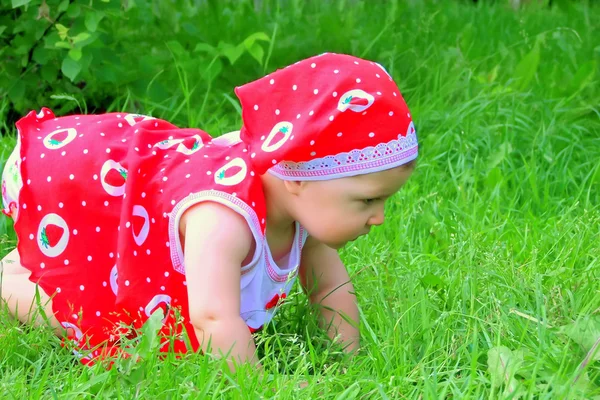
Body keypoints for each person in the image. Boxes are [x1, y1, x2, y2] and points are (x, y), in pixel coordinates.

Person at [0, 52, 418, 370]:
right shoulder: (224, 221)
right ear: (298, 178)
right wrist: (261, 386)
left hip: (143, 200)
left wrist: (349, 361)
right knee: (93, 316)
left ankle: (23, 262)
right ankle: (9, 282)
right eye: (367, 200)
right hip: (90, 183)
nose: (378, 217)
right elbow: (213, 316)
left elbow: (328, 289)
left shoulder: (299, 204)